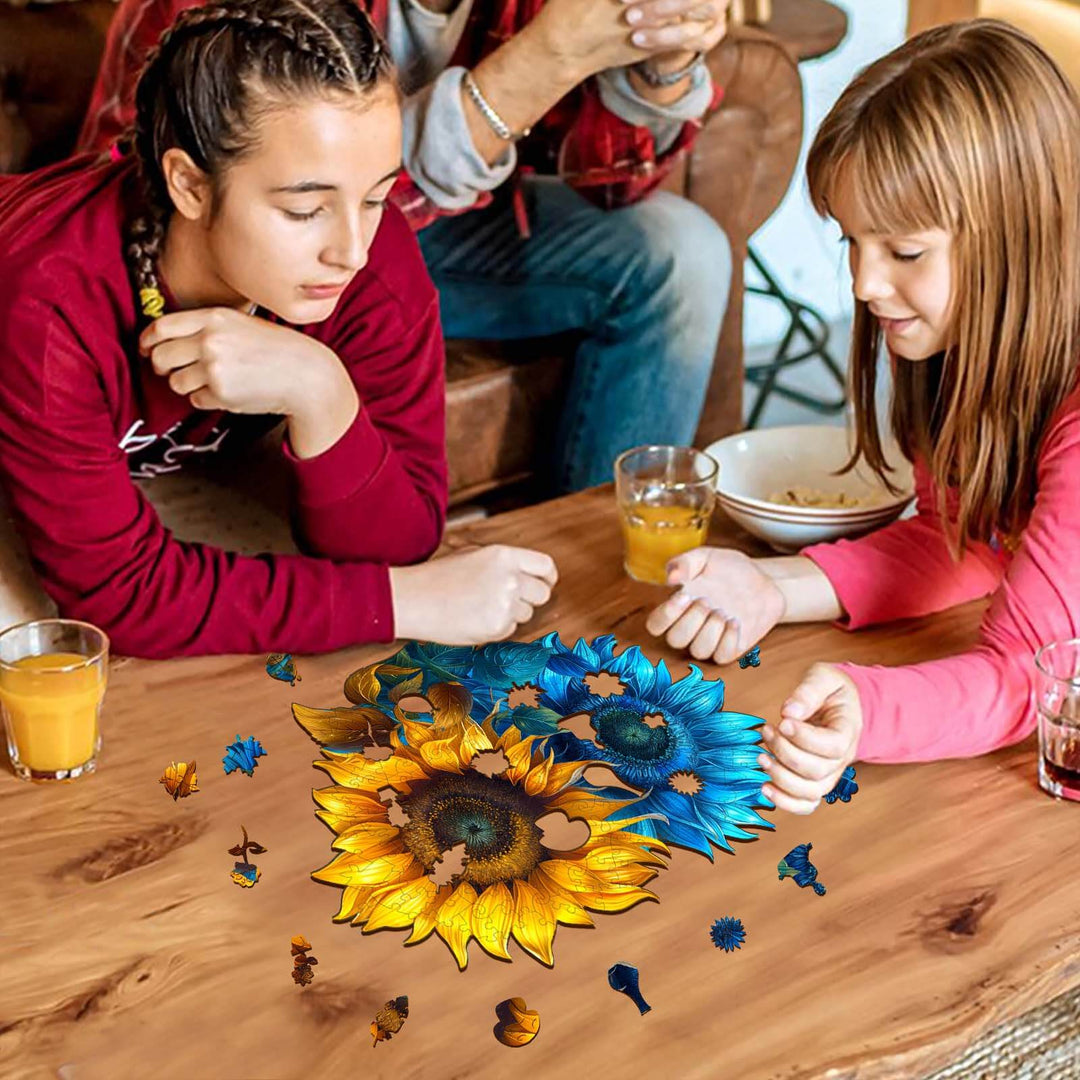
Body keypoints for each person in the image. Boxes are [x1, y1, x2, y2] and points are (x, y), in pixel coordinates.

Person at [0, 0, 556, 659]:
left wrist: (322, 392)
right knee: (34, 652)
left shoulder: (370, 255)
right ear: (188, 185)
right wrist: (408, 601)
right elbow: (123, 598)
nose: (351, 249)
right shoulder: (49, 298)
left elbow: (401, 538)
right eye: (305, 210)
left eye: (375, 197)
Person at [646, 19, 1080, 813]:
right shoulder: (963, 349)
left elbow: (1033, 673)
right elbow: (966, 538)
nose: (862, 283)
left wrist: (867, 709)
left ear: (1023, 236)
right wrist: (773, 587)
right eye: (852, 241)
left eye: (904, 252)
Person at [77, 0, 734, 493]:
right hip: (239, 249)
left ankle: (604, 558)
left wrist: (660, 64)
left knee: (681, 252)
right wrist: (543, 60)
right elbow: (152, 205)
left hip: (437, 225)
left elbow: (617, 187)